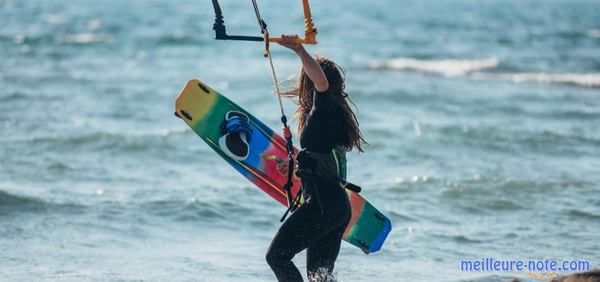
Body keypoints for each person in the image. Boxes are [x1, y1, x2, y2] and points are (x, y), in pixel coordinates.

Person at [265, 34, 367, 282]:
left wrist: (299, 50)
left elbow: (320, 82)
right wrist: (295, 164)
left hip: (323, 205)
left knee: (277, 256)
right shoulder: (332, 116)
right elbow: (324, 159)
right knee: (319, 277)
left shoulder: (325, 106)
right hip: (336, 207)